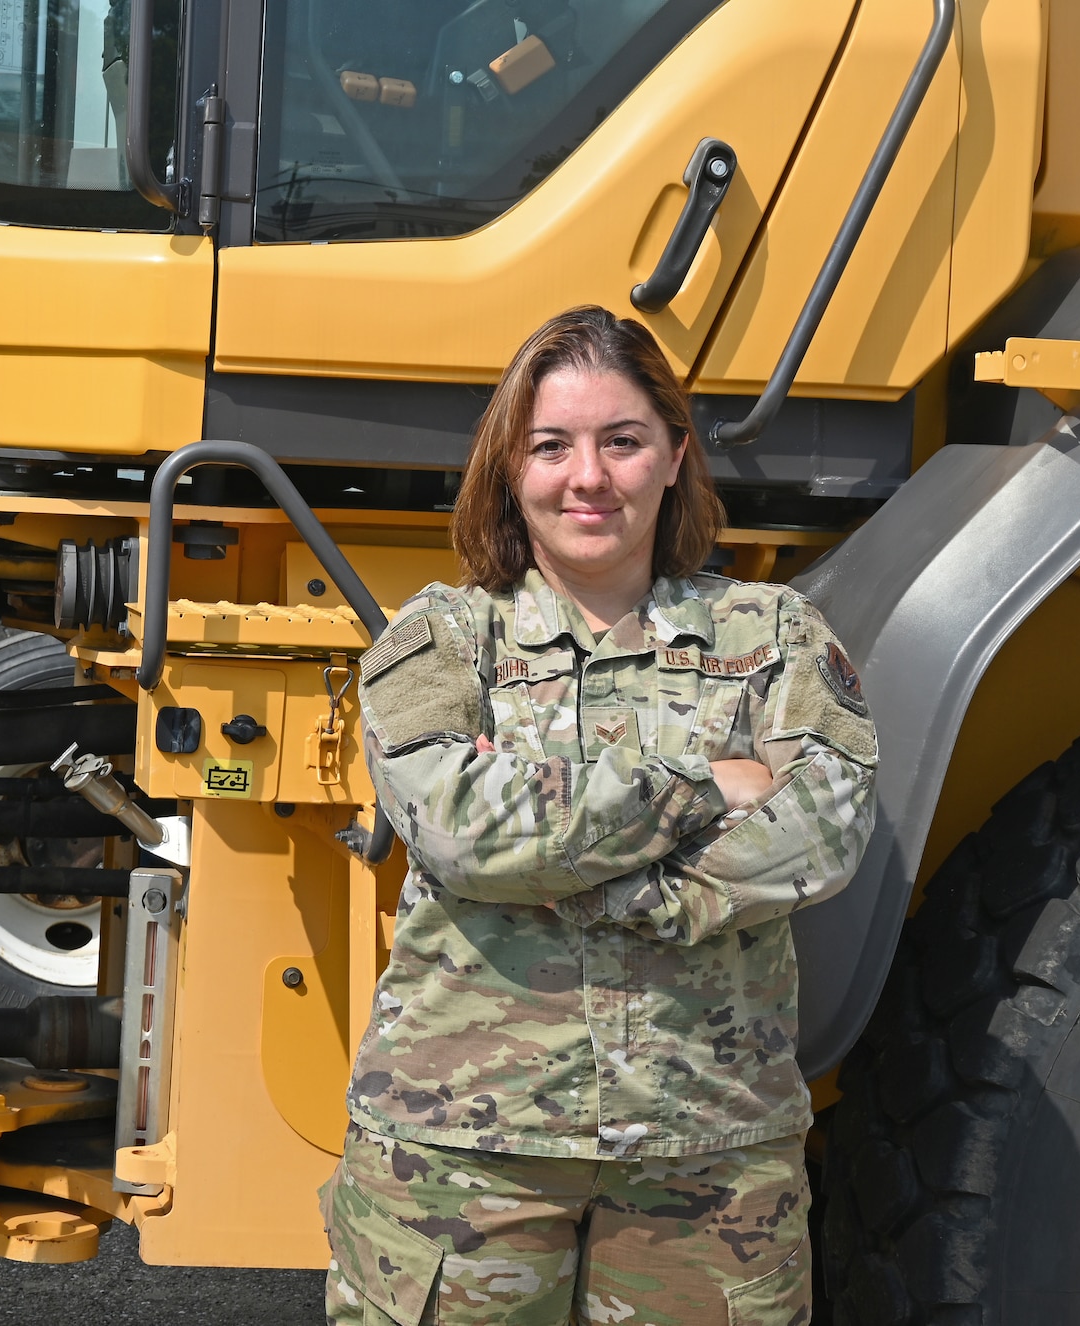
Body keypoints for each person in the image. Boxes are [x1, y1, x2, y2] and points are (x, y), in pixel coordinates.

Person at [322, 306, 877, 1325]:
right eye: (550, 446)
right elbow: (456, 831)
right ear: (508, 469)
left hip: (706, 1152)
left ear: (672, 456)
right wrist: (710, 779)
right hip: (460, 1155)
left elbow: (824, 832)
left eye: (620, 441)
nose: (587, 476)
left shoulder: (771, 635)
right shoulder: (440, 639)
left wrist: (567, 859)